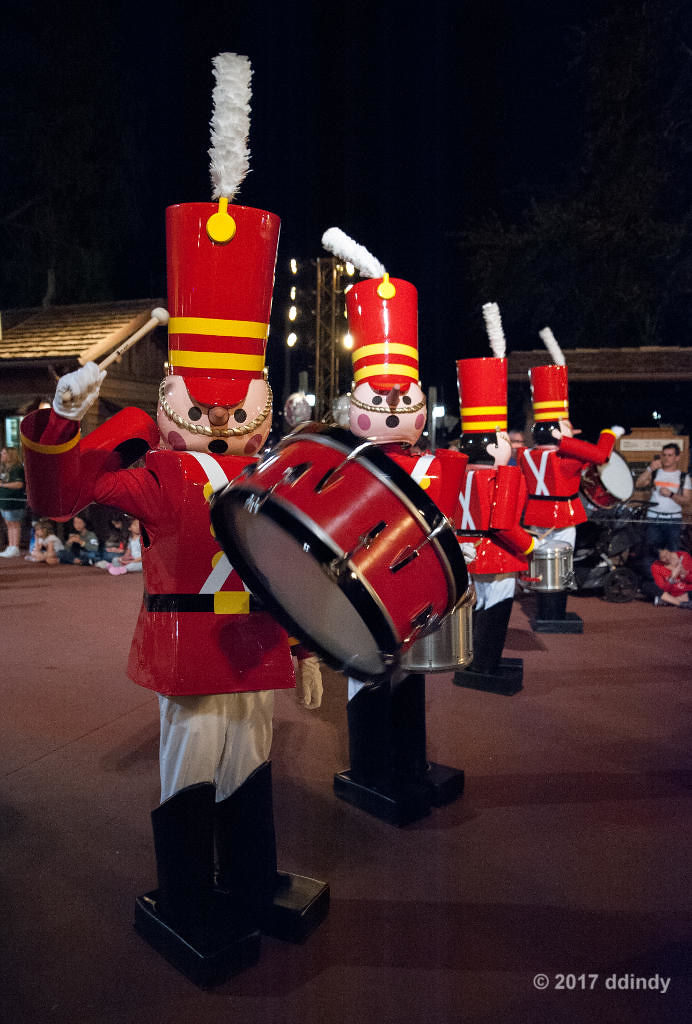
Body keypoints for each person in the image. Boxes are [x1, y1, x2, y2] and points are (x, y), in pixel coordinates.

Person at [20, 144, 328, 983]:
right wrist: (62, 421)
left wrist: (304, 649)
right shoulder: (160, 471)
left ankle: (253, 879)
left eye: (240, 402)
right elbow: (59, 501)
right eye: (211, 404)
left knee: (251, 768)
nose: (225, 416)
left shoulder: (271, 474)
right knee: (193, 771)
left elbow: (291, 573)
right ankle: (189, 894)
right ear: (177, 402)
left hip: (256, 646)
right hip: (191, 653)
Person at [337, 262, 468, 826]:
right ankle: (369, 767)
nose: (391, 410)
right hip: (361, 592)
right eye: (379, 400)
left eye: (401, 400)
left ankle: (409, 762)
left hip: (418, 594)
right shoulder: (346, 465)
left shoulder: (438, 464)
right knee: (368, 678)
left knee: (411, 681)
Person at [453, 304, 535, 694]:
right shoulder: (500, 472)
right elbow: (502, 520)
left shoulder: (455, 467)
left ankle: (475, 659)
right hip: (494, 550)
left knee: (474, 607)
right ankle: (483, 665)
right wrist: (530, 544)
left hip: (465, 549)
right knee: (496, 607)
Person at [517, 338, 623, 629]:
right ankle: (553, 613)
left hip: (537, 515)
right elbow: (600, 455)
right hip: (561, 517)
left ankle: (546, 608)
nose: (572, 428)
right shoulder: (566, 459)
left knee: (543, 564)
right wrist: (609, 432)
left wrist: (561, 436)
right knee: (559, 567)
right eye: (565, 425)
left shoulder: (526, 454)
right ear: (555, 432)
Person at [635, 444, 692, 556]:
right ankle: (652, 574)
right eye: (664, 455)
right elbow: (638, 484)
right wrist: (650, 468)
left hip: (673, 520)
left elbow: (686, 501)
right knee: (651, 554)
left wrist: (671, 494)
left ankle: (670, 574)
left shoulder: (683, 477)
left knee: (673, 554)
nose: (666, 458)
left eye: (670, 455)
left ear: (677, 458)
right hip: (653, 518)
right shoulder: (655, 473)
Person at [0, 446, 27, 558]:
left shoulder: (17, 468)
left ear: (10, 455)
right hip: (4, 500)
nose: (2, 455)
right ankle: (10, 546)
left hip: (14, 500)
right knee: (8, 524)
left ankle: (15, 547)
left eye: (4, 453)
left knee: (15, 524)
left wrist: (2, 485)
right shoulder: (5, 468)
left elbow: (19, 484)